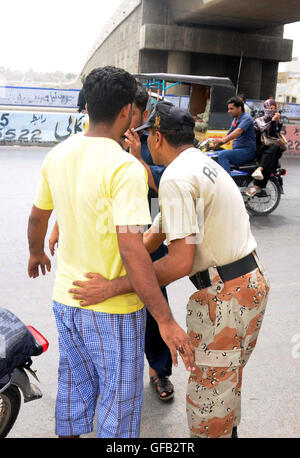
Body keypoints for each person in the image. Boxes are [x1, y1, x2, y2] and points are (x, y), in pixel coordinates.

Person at [69, 101, 270, 439]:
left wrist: (113, 286)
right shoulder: (200, 163)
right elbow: (155, 233)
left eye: (148, 136)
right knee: (222, 393)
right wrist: (113, 261)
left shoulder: (176, 177)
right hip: (248, 284)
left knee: (209, 410)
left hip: (229, 299)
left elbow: (179, 262)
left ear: (157, 138)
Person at [27, 67, 195, 439]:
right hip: (112, 311)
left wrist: (36, 253)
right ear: (125, 111)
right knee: (118, 404)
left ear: (88, 106)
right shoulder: (124, 166)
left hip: (66, 299)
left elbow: (38, 216)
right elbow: (132, 247)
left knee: (75, 386)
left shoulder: (59, 153)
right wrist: (164, 320)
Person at [121, 83, 174, 401]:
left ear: (142, 113)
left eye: (133, 113)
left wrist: (137, 157)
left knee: (156, 302)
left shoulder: (155, 138)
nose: (127, 118)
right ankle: (117, 375)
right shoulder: (107, 140)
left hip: (150, 233)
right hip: (117, 235)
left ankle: (159, 370)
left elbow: (161, 192)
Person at [246, 98, 285, 197]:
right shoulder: (258, 121)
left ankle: (259, 169)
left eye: (274, 108)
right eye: (270, 108)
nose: (272, 110)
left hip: (272, 149)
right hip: (261, 149)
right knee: (271, 162)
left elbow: (274, 135)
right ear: (265, 108)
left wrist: (277, 122)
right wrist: (272, 121)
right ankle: (257, 186)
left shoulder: (277, 120)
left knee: (276, 147)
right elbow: (264, 131)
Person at [213, 96, 256, 173]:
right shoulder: (235, 120)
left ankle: (226, 182)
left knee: (223, 155)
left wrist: (222, 141)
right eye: (228, 109)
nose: (229, 111)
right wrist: (215, 145)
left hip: (247, 151)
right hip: (237, 150)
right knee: (213, 155)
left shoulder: (246, 118)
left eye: (231, 109)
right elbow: (229, 134)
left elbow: (238, 131)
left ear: (239, 108)